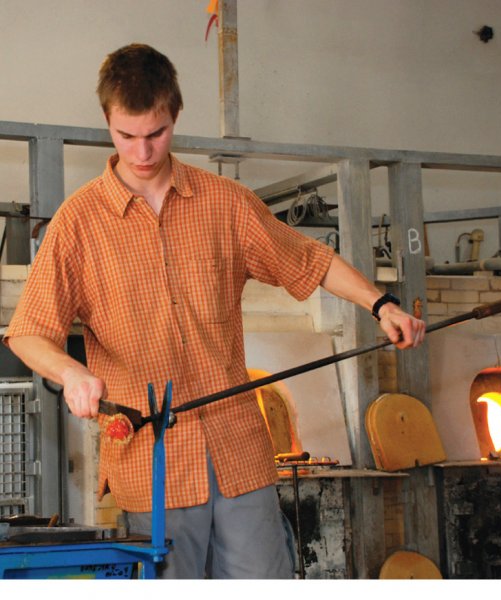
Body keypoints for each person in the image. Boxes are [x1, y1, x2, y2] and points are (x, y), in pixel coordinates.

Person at [4, 43, 425, 579]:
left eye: (154, 134)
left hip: (239, 453)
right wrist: (72, 371)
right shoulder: (78, 223)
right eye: (125, 135)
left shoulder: (225, 203)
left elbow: (308, 258)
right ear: (108, 120)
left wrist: (380, 303)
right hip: (151, 461)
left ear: (174, 114)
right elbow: (27, 332)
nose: (141, 152)